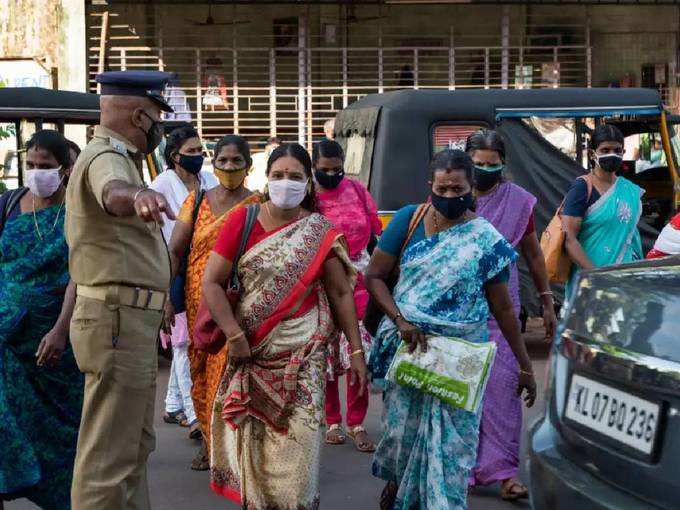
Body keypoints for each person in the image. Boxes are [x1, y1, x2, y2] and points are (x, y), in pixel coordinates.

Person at [366, 149, 536, 510]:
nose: (449, 197)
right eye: (441, 190)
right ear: (430, 187)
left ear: (471, 188)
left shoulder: (485, 239)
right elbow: (375, 277)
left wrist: (525, 364)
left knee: (454, 448)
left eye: (457, 189)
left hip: (461, 357)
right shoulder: (407, 221)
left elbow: (502, 306)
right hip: (412, 348)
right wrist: (400, 320)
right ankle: (397, 486)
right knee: (401, 437)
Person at [205, 143, 369, 509]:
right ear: (267, 179)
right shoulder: (242, 222)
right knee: (256, 454)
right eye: (278, 176)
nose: (285, 183)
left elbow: (341, 294)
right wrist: (234, 335)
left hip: (304, 355)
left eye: (295, 177)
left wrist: (356, 351)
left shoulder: (319, 232)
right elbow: (212, 283)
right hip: (249, 353)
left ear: (308, 183)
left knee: (300, 454)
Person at [66, 70, 176, 510]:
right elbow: (112, 191)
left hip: (126, 320)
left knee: (131, 447)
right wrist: (137, 197)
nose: (158, 129)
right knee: (108, 459)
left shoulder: (121, 156)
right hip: (117, 320)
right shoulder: (107, 156)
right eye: (156, 118)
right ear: (139, 115)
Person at [465, 129, 557, 500]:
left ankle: (505, 473)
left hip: (503, 310)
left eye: (492, 164)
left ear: (503, 164)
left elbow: (534, 254)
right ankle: (463, 468)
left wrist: (548, 299)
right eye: (478, 163)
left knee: (504, 388)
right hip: (458, 309)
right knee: (464, 391)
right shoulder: (452, 196)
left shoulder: (518, 202)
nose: (485, 170)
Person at [165, 134, 260, 470]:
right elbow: (175, 251)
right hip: (198, 301)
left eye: (237, 161)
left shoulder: (258, 205)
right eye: (223, 161)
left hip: (238, 301)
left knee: (230, 373)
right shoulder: (196, 201)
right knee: (201, 369)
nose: (230, 167)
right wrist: (165, 296)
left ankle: (231, 447)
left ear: (248, 166)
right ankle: (208, 441)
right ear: (213, 163)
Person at [0, 130, 84, 510]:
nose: (37, 173)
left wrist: (60, 330)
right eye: (31, 165)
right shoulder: (10, 203)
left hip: (52, 343)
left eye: (45, 166)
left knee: (61, 434)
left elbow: (78, 275)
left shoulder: (78, 212)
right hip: (6, 336)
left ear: (65, 170)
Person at [313, 139, 382, 452]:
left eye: (336, 169)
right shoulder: (308, 195)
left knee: (358, 353)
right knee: (327, 357)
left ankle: (356, 422)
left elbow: (374, 233)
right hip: (322, 280)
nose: (331, 175)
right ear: (314, 168)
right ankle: (332, 420)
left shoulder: (357, 190)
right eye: (324, 170)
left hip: (359, 281)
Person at [150, 125, 217, 439]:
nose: (198, 157)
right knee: (181, 343)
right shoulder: (162, 184)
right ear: (174, 156)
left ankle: (174, 403)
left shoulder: (209, 180)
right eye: (191, 152)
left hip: (205, 267)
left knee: (194, 337)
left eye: (200, 151)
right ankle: (193, 415)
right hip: (173, 266)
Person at [562, 124, 643, 300]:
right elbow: (569, 240)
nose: (611, 154)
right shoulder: (582, 187)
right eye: (605, 149)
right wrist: (597, 276)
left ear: (623, 153)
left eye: (617, 150)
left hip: (625, 282)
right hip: (590, 281)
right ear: (593, 154)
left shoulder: (629, 190)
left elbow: (631, 238)